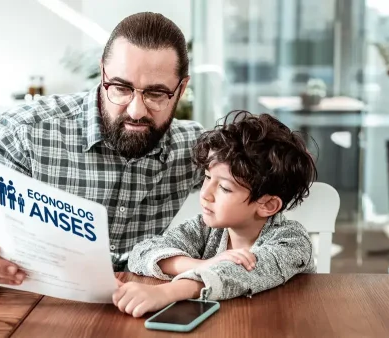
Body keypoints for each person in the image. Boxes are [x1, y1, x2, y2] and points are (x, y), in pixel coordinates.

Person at [0, 12, 204, 287]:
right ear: (103, 71)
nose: (136, 111)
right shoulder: (27, 130)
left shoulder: (193, 147)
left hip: (143, 307)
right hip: (38, 306)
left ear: (181, 87)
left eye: (156, 94)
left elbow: (251, 179)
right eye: (120, 87)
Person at [113, 111, 317, 318]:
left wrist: (167, 292)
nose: (205, 194)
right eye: (207, 177)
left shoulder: (292, 241)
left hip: (276, 324)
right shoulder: (204, 228)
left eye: (225, 188)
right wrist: (202, 265)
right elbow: (141, 253)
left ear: (268, 205)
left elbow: (245, 274)